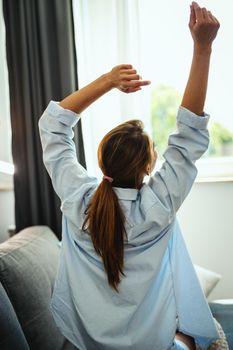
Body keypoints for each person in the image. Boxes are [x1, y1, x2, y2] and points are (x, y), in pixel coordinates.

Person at [39, 2, 220, 349]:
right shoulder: (159, 204)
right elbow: (188, 139)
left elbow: (53, 127)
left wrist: (109, 80)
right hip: (155, 344)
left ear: (102, 160)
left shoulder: (78, 199)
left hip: (88, 343)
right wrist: (203, 48)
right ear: (148, 168)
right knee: (197, 336)